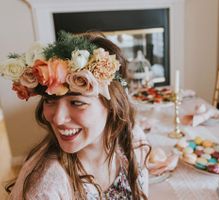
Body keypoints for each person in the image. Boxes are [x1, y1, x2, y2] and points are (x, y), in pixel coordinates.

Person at [1, 31, 150, 199]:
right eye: (50, 101)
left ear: (112, 105)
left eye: (77, 103)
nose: (57, 118)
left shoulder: (132, 138)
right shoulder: (46, 188)